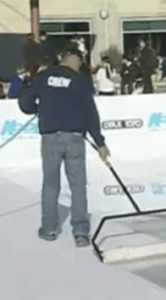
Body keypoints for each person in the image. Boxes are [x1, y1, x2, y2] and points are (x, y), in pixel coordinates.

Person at [18, 45, 110, 247]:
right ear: (72, 59)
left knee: (50, 184)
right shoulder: (80, 81)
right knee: (77, 185)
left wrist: (38, 109)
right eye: (79, 61)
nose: (80, 65)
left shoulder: (44, 77)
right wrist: (100, 143)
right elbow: (90, 113)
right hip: (74, 137)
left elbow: (25, 101)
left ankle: (49, 229)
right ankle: (80, 232)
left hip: (50, 137)